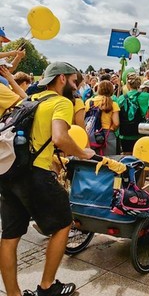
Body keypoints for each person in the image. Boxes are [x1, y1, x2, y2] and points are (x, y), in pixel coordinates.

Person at [0, 62, 96, 296]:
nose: (75, 87)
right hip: (35, 174)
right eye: (74, 81)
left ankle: (13, 293)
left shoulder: (30, 100)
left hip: (9, 173)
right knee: (63, 223)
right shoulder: (61, 102)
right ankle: (47, 287)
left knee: (10, 235)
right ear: (61, 78)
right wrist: (83, 152)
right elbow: (60, 138)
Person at [116, 73, 149, 154]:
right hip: (140, 131)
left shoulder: (120, 98)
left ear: (128, 84)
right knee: (140, 155)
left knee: (127, 157)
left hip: (125, 133)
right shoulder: (146, 96)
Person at [85, 80, 119, 156]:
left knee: (93, 160)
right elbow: (116, 123)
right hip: (108, 134)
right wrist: (112, 129)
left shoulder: (89, 102)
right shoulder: (113, 104)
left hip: (91, 133)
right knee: (109, 161)